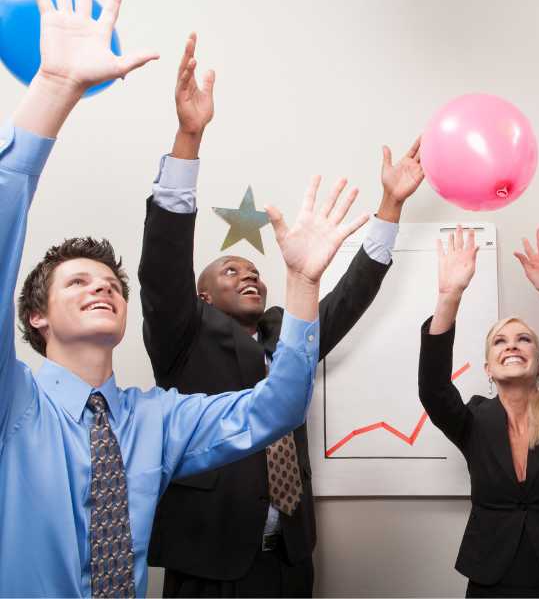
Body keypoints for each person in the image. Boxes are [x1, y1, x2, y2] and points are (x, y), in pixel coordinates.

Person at [0, 1, 365, 596]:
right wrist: (55, 89)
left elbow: (276, 408)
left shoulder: (158, 419)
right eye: (78, 282)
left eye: (112, 285)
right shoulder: (11, 401)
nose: (102, 288)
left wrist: (302, 282)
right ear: (36, 315)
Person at [139, 34, 426, 597]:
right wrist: (189, 138)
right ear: (200, 297)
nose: (248, 275)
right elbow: (162, 266)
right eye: (229, 271)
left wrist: (389, 207)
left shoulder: (286, 333)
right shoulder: (184, 337)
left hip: (290, 561)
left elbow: (346, 299)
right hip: (209, 561)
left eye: (254, 269)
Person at [418, 226, 539, 597]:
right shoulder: (474, 422)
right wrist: (449, 297)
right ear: (489, 369)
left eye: (524, 339)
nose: (513, 346)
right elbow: (433, 390)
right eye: (500, 342)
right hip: (491, 578)